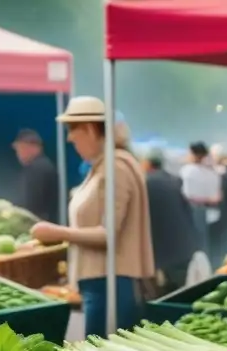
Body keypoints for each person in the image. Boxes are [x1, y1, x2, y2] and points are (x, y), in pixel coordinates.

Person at [30, 97, 154, 337]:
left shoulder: (116, 168)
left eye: (72, 132)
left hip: (109, 283)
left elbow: (108, 233)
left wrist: (56, 232)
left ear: (88, 129)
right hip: (97, 282)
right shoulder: (102, 167)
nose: (69, 139)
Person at [144, 150, 200, 290]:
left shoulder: (145, 183)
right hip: (183, 245)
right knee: (180, 288)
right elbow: (188, 211)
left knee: (166, 292)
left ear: (147, 164)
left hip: (163, 250)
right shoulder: (174, 180)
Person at [180, 141, 222, 265]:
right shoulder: (213, 172)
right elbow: (217, 196)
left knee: (197, 249)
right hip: (214, 214)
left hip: (194, 211)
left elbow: (185, 194)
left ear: (193, 154)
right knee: (210, 247)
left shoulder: (187, 171)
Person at [13, 128, 59, 223]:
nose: (18, 153)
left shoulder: (38, 168)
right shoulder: (39, 166)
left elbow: (32, 203)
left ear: (34, 147)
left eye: (21, 148)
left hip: (40, 224)